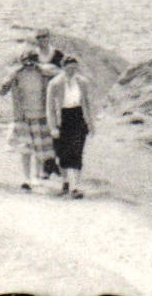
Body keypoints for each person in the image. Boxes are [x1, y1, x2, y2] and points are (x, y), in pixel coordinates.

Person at [0, 50, 53, 191]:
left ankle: (37, 175)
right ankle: (26, 179)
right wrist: (8, 79)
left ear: (36, 62)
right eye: (26, 62)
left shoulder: (44, 75)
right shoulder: (16, 76)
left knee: (40, 149)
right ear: (22, 62)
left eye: (32, 62)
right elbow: (1, 91)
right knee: (25, 149)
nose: (29, 64)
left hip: (41, 115)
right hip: (23, 117)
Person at [45, 56, 95, 197]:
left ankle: (76, 187)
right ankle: (66, 182)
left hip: (78, 117)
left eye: (74, 67)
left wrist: (90, 124)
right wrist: (53, 127)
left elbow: (88, 104)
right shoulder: (55, 83)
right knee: (63, 152)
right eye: (69, 67)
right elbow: (49, 107)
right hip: (63, 118)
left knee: (77, 152)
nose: (72, 70)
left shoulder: (83, 82)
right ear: (63, 67)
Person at [33, 29, 64, 177]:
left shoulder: (57, 54)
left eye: (44, 36)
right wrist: (50, 70)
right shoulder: (33, 55)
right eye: (39, 37)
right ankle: (47, 165)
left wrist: (44, 70)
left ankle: (57, 163)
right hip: (38, 95)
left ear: (49, 37)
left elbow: (63, 72)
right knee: (43, 130)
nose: (42, 39)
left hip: (55, 96)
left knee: (56, 127)